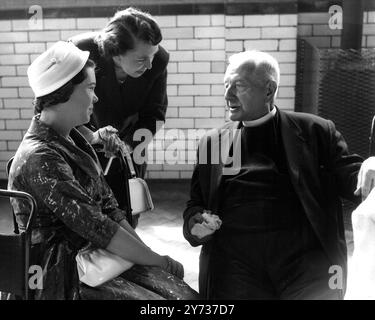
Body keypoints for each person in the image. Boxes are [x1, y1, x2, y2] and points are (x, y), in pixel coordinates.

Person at [4, 41, 198, 300]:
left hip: (96, 256)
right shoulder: (40, 158)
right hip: (62, 275)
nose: (96, 97)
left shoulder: (73, 137)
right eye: (90, 88)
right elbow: (99, 228)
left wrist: (151, 257)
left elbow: (109, 210)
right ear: (64, 93)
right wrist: (158, 261)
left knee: (182, 294)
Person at [182, 50, 369, 300]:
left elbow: (356, 180)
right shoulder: (212, 143)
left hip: (304, 264)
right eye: (226, 86)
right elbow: (195, 205)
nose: (228, 96)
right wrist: (195, 224)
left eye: (238, 86)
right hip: (237, 265)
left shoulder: (316, 131)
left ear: (268, 90)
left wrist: (371, 166)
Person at [69, 7, 169, 226]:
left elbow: (155, 114)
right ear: (116, 52)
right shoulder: (79, 52)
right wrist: (91, 136)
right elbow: (57, 105)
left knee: (127, 216)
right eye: (142, 59)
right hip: (81, 145)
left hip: (130, 148)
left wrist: (127, 145)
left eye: (152, 56)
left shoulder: (158, 60)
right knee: (86, 218)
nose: (150, 65)